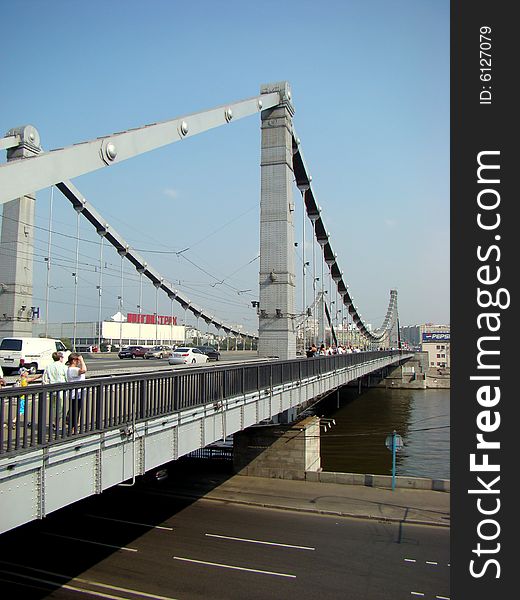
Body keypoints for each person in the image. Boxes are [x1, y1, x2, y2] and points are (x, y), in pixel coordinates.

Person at [66, 353, 87, 433]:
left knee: (75, 411)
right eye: (77, 360)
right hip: (76, 394)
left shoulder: (72, 369)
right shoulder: (72, 369)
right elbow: (84, 370)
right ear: (74, 360)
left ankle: (73, 427)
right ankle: (72, 429)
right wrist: (82, 360)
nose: (79, 362)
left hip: (76, 393)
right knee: (75, 411)